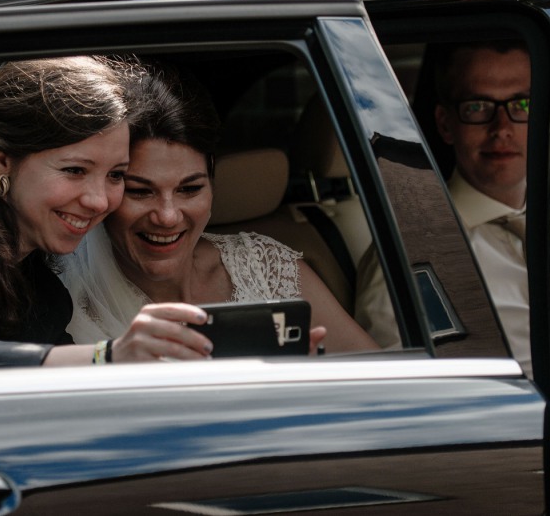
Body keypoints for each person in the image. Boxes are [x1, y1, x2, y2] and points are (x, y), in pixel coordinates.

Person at [0, 56, 214, 370]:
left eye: (115, 175)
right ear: (2, 160)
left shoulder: (46, 299)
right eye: (75, 170)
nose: (99, 201)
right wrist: (107, 356)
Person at [59, 63, 378, 354]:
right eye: (140, 191)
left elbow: (381, 381)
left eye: (190, 188)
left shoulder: (265, 268)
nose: (168, 216)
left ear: (212, 182)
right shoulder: (60, 293)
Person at [355, 40, 530, 375]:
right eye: (478, 107)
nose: (502, 129)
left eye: (522, 104)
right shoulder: (413, 253)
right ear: (445, 124)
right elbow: (407, 388)